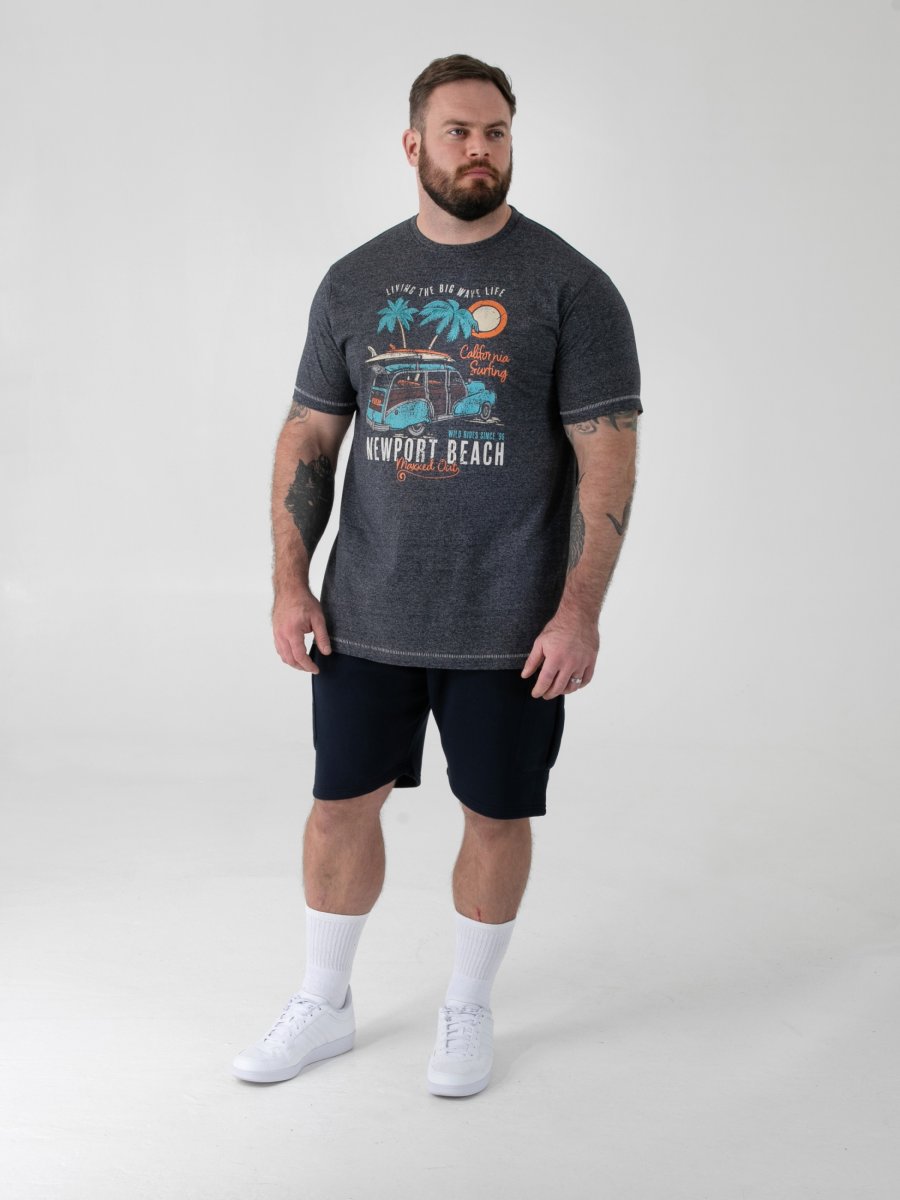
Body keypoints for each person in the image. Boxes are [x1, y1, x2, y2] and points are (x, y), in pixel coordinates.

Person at [232, 53, 642, 1098]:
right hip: (365, 609)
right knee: (338, 805)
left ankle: (467, 1005)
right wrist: (290, 582)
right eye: (458, 131)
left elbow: (606, 459)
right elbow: (310, 436)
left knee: (496, 815)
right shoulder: (355, 280)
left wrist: (578, 612)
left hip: (510, 621)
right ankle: (324, 1002)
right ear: (414, 144)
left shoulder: (573, 287)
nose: (479, 150)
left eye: (496, 132)